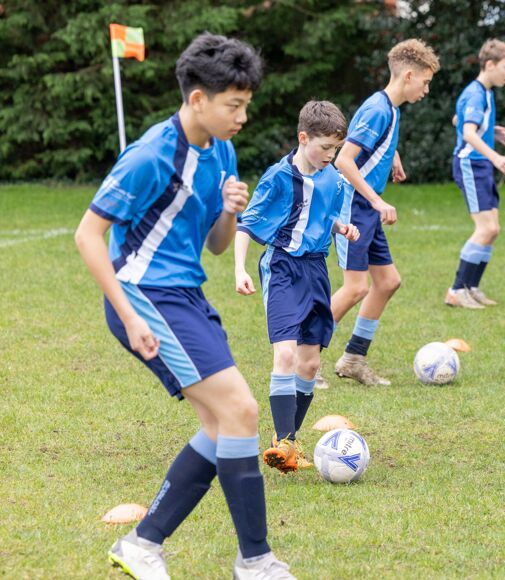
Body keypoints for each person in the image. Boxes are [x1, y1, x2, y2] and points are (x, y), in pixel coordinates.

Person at [74, 33, 294, 579]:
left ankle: (143, 543)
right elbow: (87, 235)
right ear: (198, 99)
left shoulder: (221, 150)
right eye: (233, 106)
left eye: (246, 105)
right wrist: (128, 315)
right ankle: (256, 560)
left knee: (224, 426)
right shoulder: (150, 155)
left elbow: (217, 246)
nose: (242, 117)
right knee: (240, 410)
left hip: (187, 297)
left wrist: (227, 211)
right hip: (145, 299)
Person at [234, 100, 359, 474]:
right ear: (303, 138)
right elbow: (247, 224)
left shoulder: (334, 179)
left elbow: (326, 214)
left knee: (310, 363)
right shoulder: (277, 178)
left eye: (336, 149)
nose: (330, 155)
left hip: (316, 271)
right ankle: (283, 442)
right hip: (283, 268)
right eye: (324, 147)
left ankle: (289, 441)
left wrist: (341, 228)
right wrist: (239, 268)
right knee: (286, 355)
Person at [330, 39, 440, 386]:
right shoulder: (378, 107)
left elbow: (369, 142)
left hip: (368, 207)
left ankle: (353, 359)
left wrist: (392, 156)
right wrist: (377, 202)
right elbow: (343, 159)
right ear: (408, 75)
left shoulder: (390, 109)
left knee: (388, 282)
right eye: (425, 82)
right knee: (354, 289)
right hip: (354, 207)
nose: (426, 89)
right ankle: (301, 357)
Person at [445, 39, 505, 309]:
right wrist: (496, 156)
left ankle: (471, 287)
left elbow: (458, 119)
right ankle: (455, 290)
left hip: (480, 164)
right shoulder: (476, 93)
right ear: (490, 65)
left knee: (493, 229)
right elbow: (467, 133)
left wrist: (492, 130)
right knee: (485, 228)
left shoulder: (484, 92)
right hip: (470, 164)